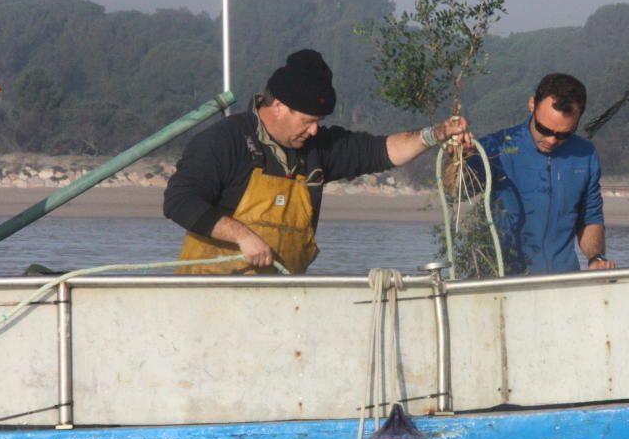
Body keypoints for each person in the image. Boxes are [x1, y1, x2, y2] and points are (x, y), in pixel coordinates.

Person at [164, 49, 468, 274]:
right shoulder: (224, 140)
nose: (314, 130)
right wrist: (243, 236)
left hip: (283, 301)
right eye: (308, 121)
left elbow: (382, 151)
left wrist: (438, 133)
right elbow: (178, 201)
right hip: (206, 297)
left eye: (319, 122)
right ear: (279, 106)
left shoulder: (317, 148)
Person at [459, 73, 614, 275]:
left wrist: (596, 258)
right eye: (544, 129)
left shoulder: (585, 154)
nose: (551, 140)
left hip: (562, 282)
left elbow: (589, 219)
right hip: (501, 281)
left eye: (563, 135)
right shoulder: (497, 147)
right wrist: (457, 160)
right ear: (532, 104)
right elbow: (455, 191)